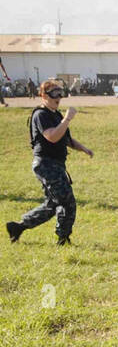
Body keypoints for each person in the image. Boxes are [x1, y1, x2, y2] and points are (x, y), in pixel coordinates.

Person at [8, 80, 92, 246]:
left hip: (55, 164)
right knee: (67, 202)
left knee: (52, 204)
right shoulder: (41, 115)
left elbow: (65, 138)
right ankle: (63, 238)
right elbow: (52, 136)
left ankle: (18, 227)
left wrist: (83, 149)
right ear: (44, 96)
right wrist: (67, 119)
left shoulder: (56, 115)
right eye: (54, 93)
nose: (59, 97)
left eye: (60, 92)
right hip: (46, 164)